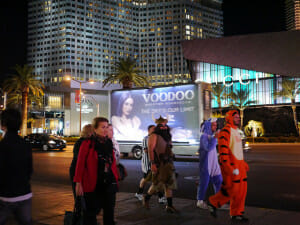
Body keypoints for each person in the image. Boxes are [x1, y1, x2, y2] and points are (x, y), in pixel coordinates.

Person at [74, 117, 119, 225]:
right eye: (103, 127)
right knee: (90, 214)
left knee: (109, 213)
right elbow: (80, 164)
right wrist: (78, 182)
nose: (106, 129)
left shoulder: (108, 142)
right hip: (93, 184)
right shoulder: (87, 143)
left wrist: (115, 178)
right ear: (95, 129)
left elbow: (112, 162)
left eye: (107, 127)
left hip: (108, 183)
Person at [208, 110, 249, 222]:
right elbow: (223, 152)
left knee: (242, 191)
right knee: (232, 190)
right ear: (230, 118)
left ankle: (237, 214)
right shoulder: (226, 132)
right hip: (232, 166)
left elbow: (237, 150)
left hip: (239, 166)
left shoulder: (236, 131)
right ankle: (213, 203)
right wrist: (229, 167)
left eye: (238, 117)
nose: (238, 119)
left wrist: (243, 164)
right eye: (235, 117)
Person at [0, 108, 33, 225]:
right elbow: (30, 170)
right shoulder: (26, 145)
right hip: (24, 194)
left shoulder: (2, 146)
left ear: (3, 125)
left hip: (6, 196)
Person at [143, 116, 178, 213]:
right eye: (161, 125)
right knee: (157, 185)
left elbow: (169, 147)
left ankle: (169, 206)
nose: (164, 127)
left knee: (169, 184)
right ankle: (146, 198)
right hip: (159, 164)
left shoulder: (167, 136)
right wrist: (153, 163)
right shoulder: (154, 136)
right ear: (157, 126)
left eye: (165, 125)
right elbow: (150, 149)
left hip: (168, 163)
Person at [135, 125, 166, 204]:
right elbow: (146, 150)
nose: (155, 130)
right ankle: (159, 197)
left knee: (154, 180)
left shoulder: (156, 138)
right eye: (153, 129)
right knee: (149, 180)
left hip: (154, 163)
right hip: (148, 164)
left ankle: (140, 193)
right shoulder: (146, 139)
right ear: (149, 131)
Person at [196, 118, 222, 209]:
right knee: (204, 183)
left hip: (214, 164)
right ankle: (200, 201)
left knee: (219, 181)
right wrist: (215, 138)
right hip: (206, 165)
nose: (216, 126)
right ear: (208, 126)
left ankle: (218, 201)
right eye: (213, 125)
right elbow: (208, 148)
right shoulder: (204, 136)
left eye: (215, 124)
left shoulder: (211, 136)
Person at [69, 124, 94, 199]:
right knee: (79, 194)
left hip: (77, 169)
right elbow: (79, 158)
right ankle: (79, 209)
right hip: (76, 170)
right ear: (90, 132)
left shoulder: (87, 142)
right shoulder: (81, 143)